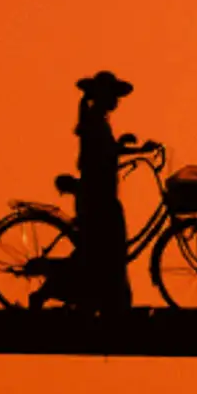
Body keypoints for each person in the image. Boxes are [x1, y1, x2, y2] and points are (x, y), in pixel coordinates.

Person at [70, 69, 139, 311]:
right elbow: (104, 153)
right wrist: (137, 151)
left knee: (102, 249)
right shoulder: (95, 122)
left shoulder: (96, 120)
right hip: (98, 198)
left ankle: (107, 301)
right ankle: (113, 303)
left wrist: (122, 145)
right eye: (112, 96)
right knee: (110, 249)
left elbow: (107, 150)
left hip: (99, 195)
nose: (116, 101)